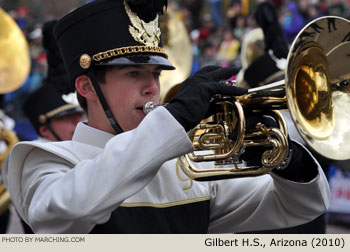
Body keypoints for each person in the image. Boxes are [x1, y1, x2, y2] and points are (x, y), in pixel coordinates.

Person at [1, 0, 329, 234]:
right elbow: (63, 214)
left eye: (156, 74)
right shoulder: (45, 161)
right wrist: (172, 121)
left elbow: (299, 209)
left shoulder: (187, 167)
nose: (151, 88)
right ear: (86, 86)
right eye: (133, 74)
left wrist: (286, 159)